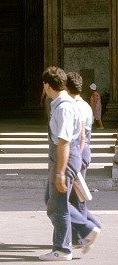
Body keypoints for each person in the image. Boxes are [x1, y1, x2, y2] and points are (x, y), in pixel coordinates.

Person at [39, 66, 100, 261]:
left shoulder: (64, 107)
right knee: (52, 200)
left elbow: (64, 141)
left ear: (47, 86)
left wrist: (61, 172)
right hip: (68, 156)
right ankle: (80, 233)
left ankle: (71, 242)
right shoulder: (65, 104)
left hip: (64, 157)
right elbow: (80, 134)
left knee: (58, 205)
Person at [66, 72, 102, 248]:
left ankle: (84, 233)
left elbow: (78, 137)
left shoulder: (74, 106)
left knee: (73, 199)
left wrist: (72, 160)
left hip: (78, 152)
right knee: (77, 196)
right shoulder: (85, 105)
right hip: (85, 151)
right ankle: (88, 229)